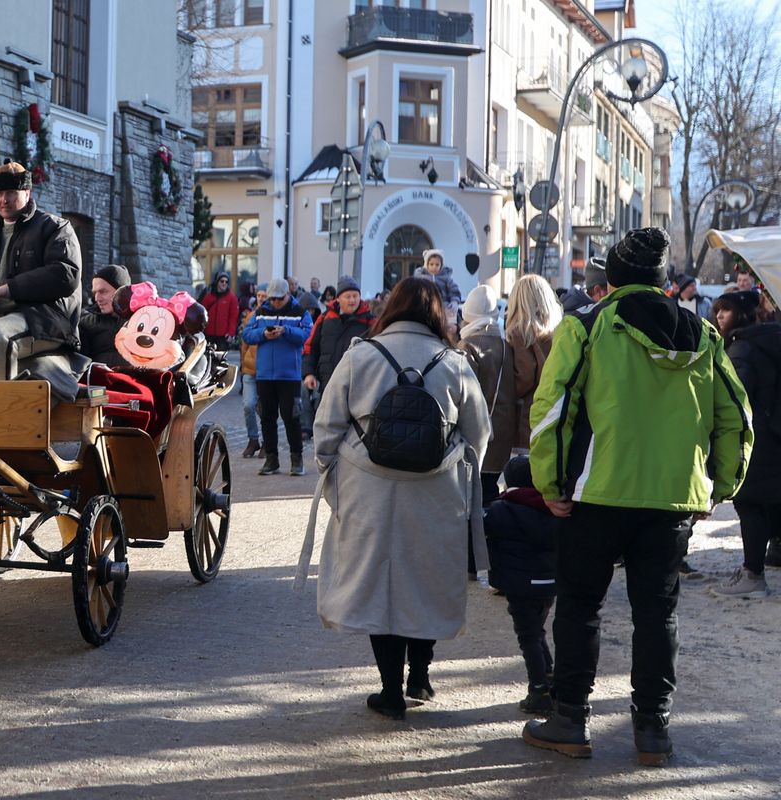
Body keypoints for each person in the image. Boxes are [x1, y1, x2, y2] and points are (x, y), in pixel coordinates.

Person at [522, 227, 752, 767]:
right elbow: (735, 419)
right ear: (664, 279)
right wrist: (717, 487)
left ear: (614, 279)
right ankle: (653, 730)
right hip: (672, 500)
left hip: (594, 495)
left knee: (580, 607)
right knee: (657, 612)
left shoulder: (587, 326)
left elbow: (552, 411)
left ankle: (570, 720)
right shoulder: (703, 334)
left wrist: (551, 484)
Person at [301, 277, 490, 720]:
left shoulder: (360, 355)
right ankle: (420, 677)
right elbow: (479, 434)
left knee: (379, 586)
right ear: (436, 313)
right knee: (424, 581)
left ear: (391, 308)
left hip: (369, 491)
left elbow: (326, 428)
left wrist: (335, 477)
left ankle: (389, 691)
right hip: (436, 492)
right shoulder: (455, 362)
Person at [0, 161, 82, 379]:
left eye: (12, 192)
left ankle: (0, 411)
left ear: (27, 192)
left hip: (44, 319)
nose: (4, 200)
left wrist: (8, 289)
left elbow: (66, 275)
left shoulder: (55, 227)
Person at [710, 290, 778, 599]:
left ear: (742, 315)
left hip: (758, 439)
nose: (719, 317)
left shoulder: (741, 349)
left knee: (749, 503)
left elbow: (736, 400)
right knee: (772, 501)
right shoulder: (772, 338)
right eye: (718, 311)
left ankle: (753, 573)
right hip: (775, 434)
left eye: (726, 311)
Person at [484, 455, 559, 716]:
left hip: (518, 586)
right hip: (550, 583)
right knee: (537, 630)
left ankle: (538, 690)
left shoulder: (499, 510)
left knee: (528, 636)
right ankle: (549, 677)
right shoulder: (553, 508)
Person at [241, 278, 312, 476]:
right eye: (272, 299)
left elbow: (306, 334)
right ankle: (272, 461)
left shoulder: (300, 312)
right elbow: (247, 335)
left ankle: (296, 460)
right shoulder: (260, 312)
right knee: (267, 418)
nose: (275, 303)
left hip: (289, 376)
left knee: (291, 418)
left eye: (279, 299)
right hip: (264, 375)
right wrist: (264, 334)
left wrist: (286, 331)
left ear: (287, 295)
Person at [458, 285, 519, 505]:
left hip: (477, 434)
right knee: (492, 491)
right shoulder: (505, 345)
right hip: (503, 430)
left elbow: (462, 394)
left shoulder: (467, 346)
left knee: (472, 495)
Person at [506, 274, 562, 448]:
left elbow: (524, 376)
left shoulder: (520, 332)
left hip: (528, 417)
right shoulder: (560, 330)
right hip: (556, 409)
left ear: (518, 301)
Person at [302, 276, 374, 400]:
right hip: (327, 382)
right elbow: (310, 347)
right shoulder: (325, 318)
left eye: (355, 296)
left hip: (359, 386)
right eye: (348, 296)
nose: (352, 300)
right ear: (339, 299)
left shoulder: (370, 320)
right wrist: (309, 373)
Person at [79, 264, 132, 366]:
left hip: (139, 379)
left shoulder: (143, 318)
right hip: (100, 380)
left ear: (121, 290)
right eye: (94, 293)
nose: (97, 298)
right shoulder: (85, 323)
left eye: (103, 292)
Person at [239, 286, 269, 458]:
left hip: (266, 371)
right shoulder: (251, 316)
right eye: (258, 295)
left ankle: (266, 442)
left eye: (264, 296)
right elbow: (244, 344)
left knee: (265, 408)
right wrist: (243, 365)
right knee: (248, 405)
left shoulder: (274, 317)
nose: (261, 299)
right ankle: (253, 439)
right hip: (250, 369)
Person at [413, 249, 463, 314]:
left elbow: (454, 291)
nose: (434, 267)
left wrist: (454, 302)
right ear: (426, 265)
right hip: (425, 305)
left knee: (453, 315)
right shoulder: (421, 278)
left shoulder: (446, 278)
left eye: (437, 265)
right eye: (431, 264)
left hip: (443, 305)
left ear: (441, 266)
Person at [200, 271, 240, 350]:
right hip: (208, 333)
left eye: (226, 282)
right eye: (222, 281)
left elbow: (233, 317)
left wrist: (230, 333)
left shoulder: (232, 298)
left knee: (220, 359)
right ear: (217, 282)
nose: (224, 283)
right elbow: (202, 312)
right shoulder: (208, 296)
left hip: (223, 336)